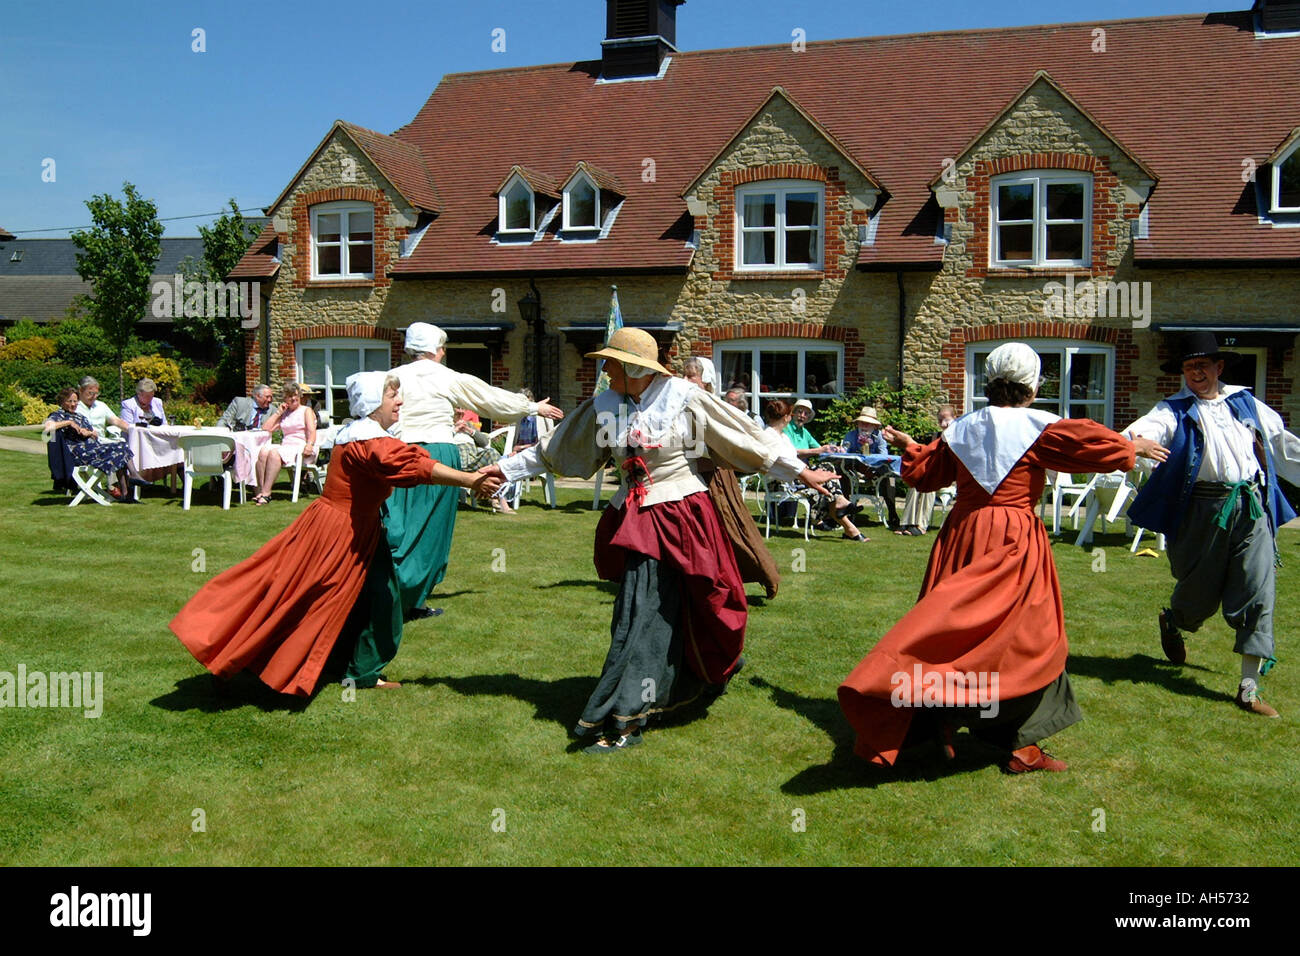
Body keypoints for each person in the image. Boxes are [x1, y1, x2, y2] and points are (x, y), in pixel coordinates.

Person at [487, 328, 833, 753]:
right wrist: (505, 471)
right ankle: (627, 713)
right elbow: (553, 449)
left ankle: (697, 673)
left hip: (684, 513)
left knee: (701, 602)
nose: (605, 370)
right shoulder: (606, 405)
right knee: (642, 611)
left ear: (634, 368)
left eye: (611, 363)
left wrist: (803, 472)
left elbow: (748, 439)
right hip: (639, 519)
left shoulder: (685, 398)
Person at [838, 343, 1167, 773]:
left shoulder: (962, 428)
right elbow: (1087, 446)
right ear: (1032, 386)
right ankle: (1019, 745)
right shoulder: (1041, 427)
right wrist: (1131, 445)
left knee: (955, 635)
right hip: (1013, 539)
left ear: (990, 383)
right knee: (1030, 639)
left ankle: (943, 721)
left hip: (963, 535)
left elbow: (925, 475)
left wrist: (912, 446)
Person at [171, 371, 502, 696]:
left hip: (352, 527)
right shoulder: (368, 441)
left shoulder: (359, 434)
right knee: (297, 597)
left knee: (370, 598)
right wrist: (470, 479)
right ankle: (236, 657)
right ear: (374, 402)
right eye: (392, 396)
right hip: (341, 532)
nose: (399, 401)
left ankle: (353, 669)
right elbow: (414, 465)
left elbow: (408, 463)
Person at [1123, 331, 1300, 718]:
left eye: (1202, 365)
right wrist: (1132, 445)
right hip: (1201, 510)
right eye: (1189, 366)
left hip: (1251, 506)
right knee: (1198, 597)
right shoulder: (1172, 409)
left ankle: (1248, 688)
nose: (1195, 372)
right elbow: (1140, 435)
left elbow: (1284, 447)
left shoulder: (1246, 403)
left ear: (1220, 367)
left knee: (1258, 589)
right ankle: (1175, 620)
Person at [382, 321, 563, 619]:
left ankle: (393, 595)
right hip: (436, 454)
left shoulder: (391, 376)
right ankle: (407, 598)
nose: (443, 352)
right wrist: (532, 408)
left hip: (396, 453)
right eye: (442, 348)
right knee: (429, 531)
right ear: (435, 350)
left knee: (397, 524)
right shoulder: (445, 377)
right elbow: (489, 398)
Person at [683, 359, 783, 599]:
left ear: (706, 381)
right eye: (685, 375)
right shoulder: (682, 400)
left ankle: (763, 575)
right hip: (689, 476)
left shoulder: (712, 406)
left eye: (692, 376)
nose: (686, 380)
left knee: (730, 527)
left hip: (715, 475)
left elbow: (740, 441)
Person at [764, 399, 867, 541]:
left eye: (805, 413)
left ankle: (846, 520)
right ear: (787, 416)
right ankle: (842, 516)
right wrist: (809, 469)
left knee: (828, 472)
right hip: (783, 479)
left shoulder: (783, 435)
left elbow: (809, 452)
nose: (801, 415)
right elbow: (786, 460)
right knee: (828, 485)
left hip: (795, 474)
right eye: (798, 412)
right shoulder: (772, 436)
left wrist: (829, 450)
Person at [43, 387, 135, 499]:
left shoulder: (80, 417)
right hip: (77, 454)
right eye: (69, 401)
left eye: (75, 401)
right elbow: (48, 428)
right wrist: (68, 422)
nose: (73, 404)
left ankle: (126, 493)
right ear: (62, 402)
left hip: (90, 449)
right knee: (120, 449)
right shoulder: (58, 415)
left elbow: (94, 435)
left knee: (122, 447)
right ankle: (131, 483)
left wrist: (89, 433)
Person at [895, 404, 957, 536]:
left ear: (954, 418)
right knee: (915, 484)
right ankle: (907, 523)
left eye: (946, 420)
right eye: (940, 420)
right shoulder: (935, 437)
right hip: (934, 474)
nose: (943, 423)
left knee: (929, 486)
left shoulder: (958, 438)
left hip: (948, 479)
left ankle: (921, 525)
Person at [252, 382, 317, 505]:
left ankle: (266, 493)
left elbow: (311, 431)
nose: (293, 398)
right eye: (290, 396)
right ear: (285, 398)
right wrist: (278, 413)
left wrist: (310, 444)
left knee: (274, 453)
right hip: (287, 445)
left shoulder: (306, 411)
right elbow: (266, 428)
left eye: (296, 395)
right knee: (263, 451)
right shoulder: (285, 413)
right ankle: (260, 490)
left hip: (301, 446)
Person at [842, 406, 900, 529]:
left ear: (875, 426)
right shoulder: (851, 436)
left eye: (868, 424)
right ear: (857, 423)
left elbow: (884, 455)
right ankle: (845, 512)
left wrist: (871, 458)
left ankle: (893, 514)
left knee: (889, 477)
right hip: (854, 470)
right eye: (862, 423)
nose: (865, 426)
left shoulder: (879, 437)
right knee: (841, 471)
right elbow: (844, 452)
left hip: (875, 470)